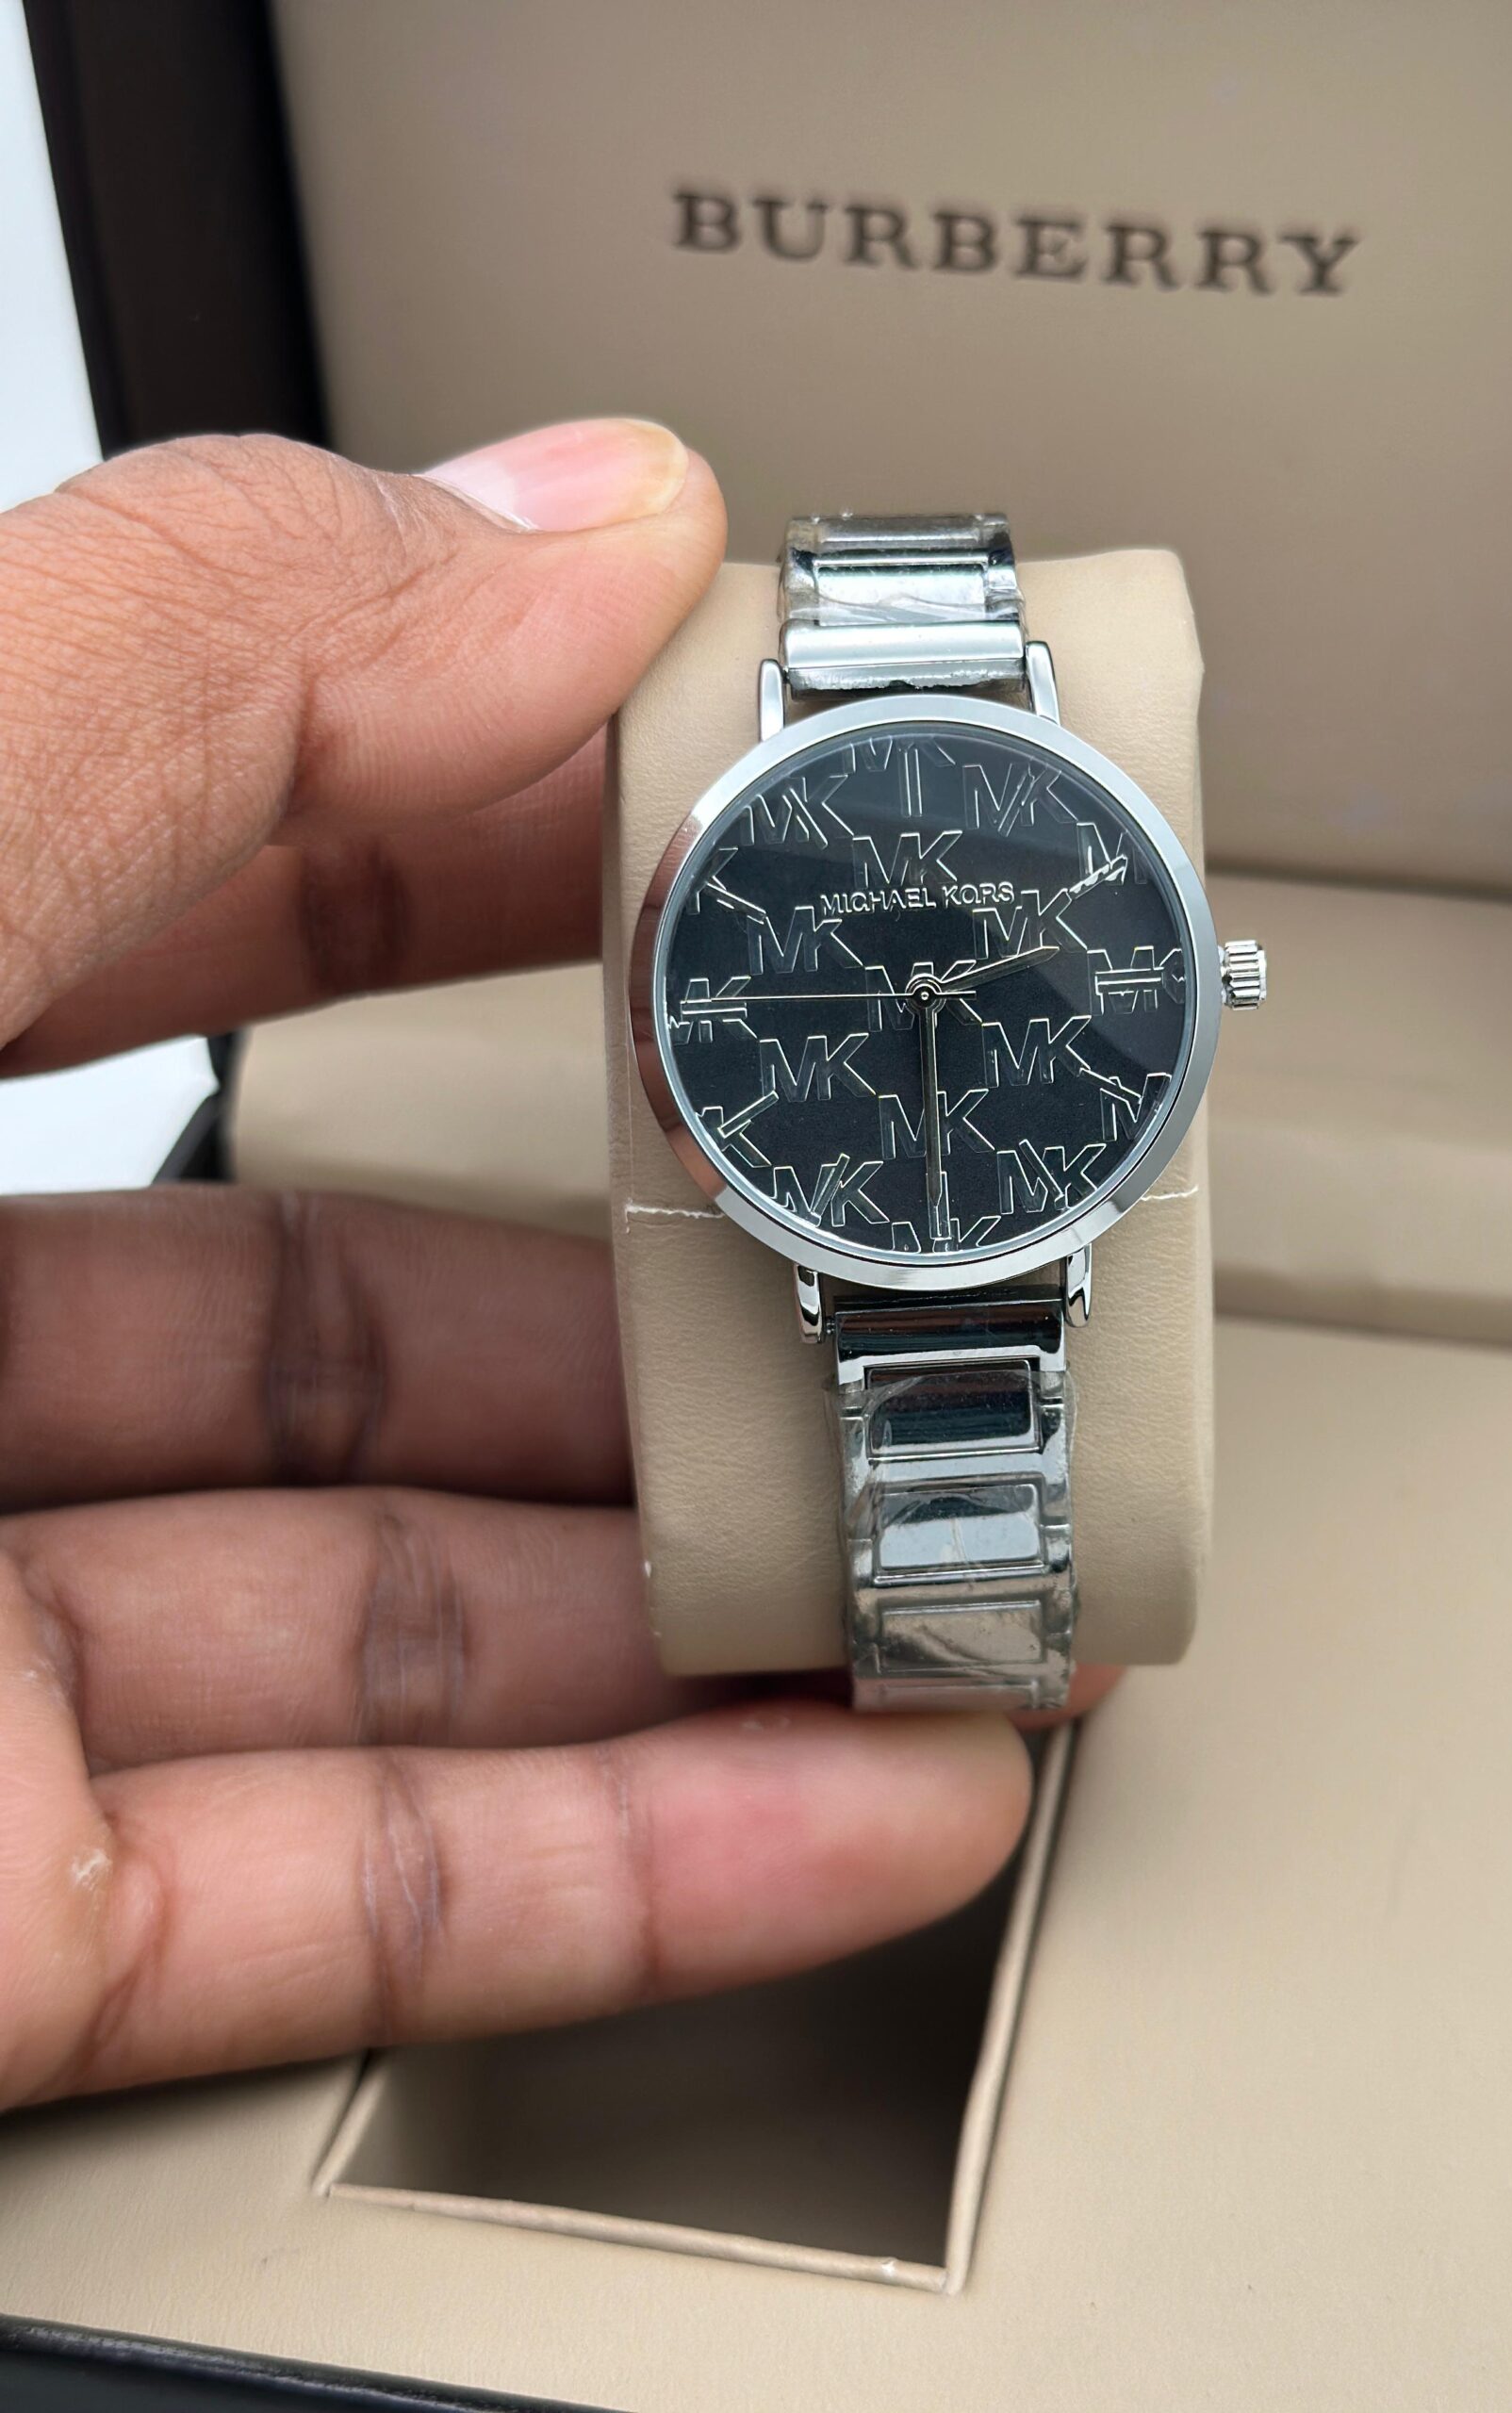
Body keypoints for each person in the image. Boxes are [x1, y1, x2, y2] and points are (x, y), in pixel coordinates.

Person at [0, 419, 1106, 2113]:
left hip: (986, 1226)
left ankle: (956, 1627)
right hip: (832, 1238)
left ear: (1208, 977)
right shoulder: (754, 953)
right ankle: (950, 1631)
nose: (929, 992)